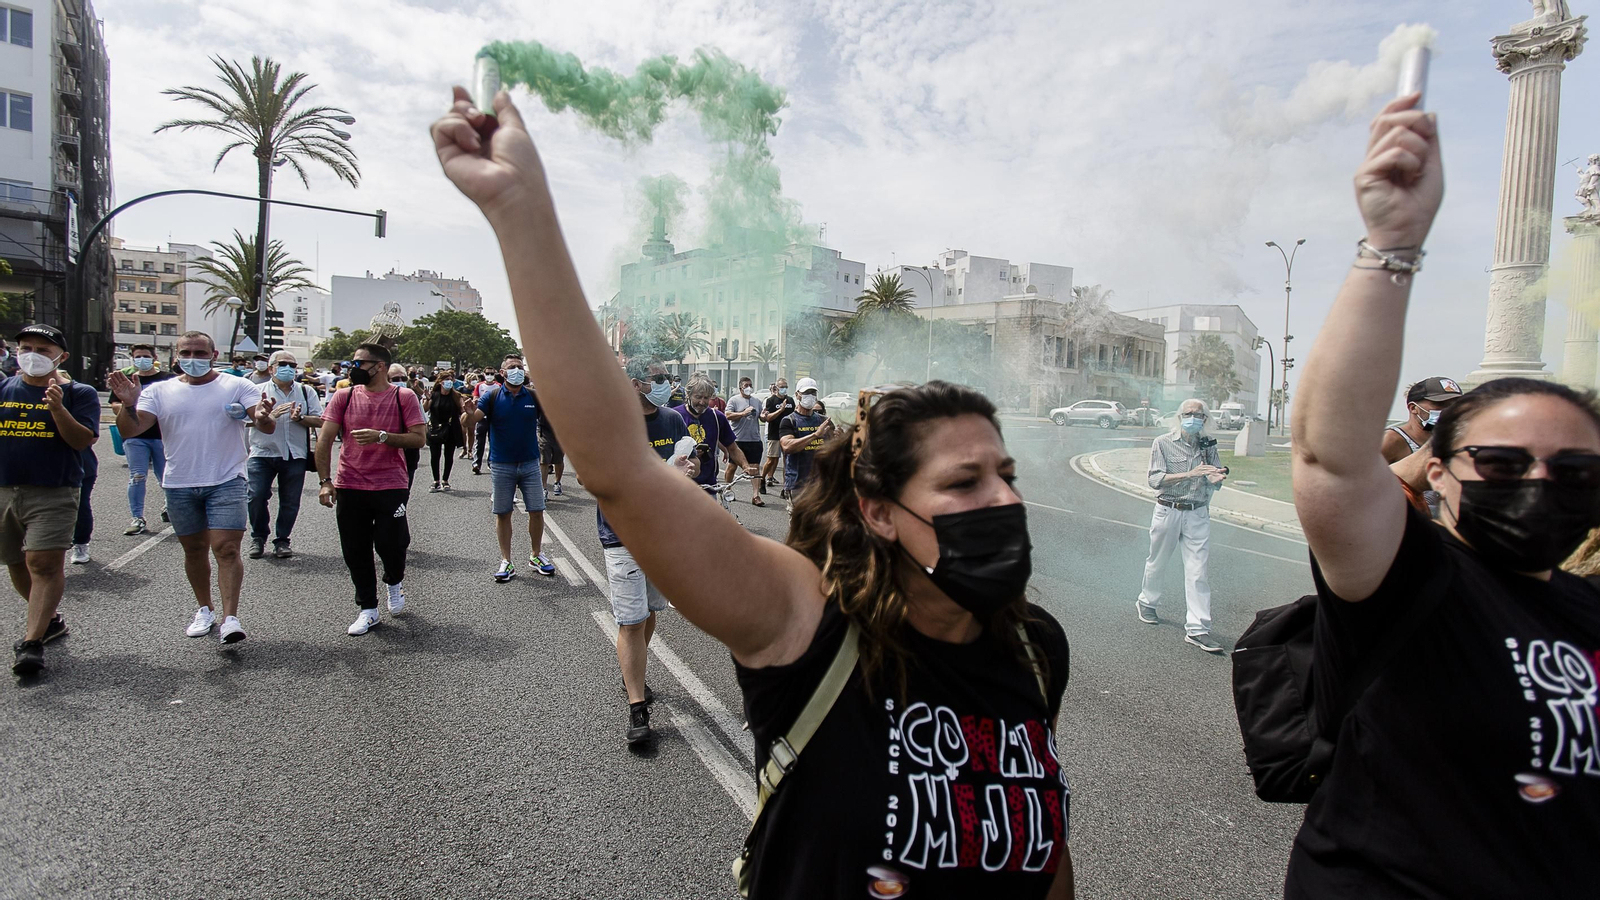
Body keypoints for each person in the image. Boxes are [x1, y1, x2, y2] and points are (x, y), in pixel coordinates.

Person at [433, 88, 1075, 896]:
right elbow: (620, 470)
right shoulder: (806, 622)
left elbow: (1044, 847)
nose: (1002, 501)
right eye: (964, 482)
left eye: (1006, 477)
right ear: (877, 510)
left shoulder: (1033, 649)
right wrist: (520, 211)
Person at [1288, 94, 1600, 896]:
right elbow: (1330, 455)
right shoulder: (1412, 585)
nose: (1538, 483)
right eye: (1500, 462)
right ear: (1439, 470)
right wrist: (1392, 245)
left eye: (1575, 471)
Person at [110, 331, 277, 645]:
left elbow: (264, 423)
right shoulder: (158, 391)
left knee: (226, 549)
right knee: (195, 550)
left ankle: (230, 618)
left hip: (226, 480)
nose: (193, 358)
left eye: (200, 353)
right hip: (179, 483)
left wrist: (266, 417)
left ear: (214, 356)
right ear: (176, 356)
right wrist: (127, 405)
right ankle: (205, 609)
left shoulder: (237, 385)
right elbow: (131, 429)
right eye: (186, 352)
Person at [600, 358, 692, 743]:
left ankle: (630, 669)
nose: (666, 383)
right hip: (622, 533)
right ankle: (638, 707)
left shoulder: (672, 419)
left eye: (667, 377)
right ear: (636, 383)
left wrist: (686, 466)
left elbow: (691, 460)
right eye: (658, 378)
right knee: (632, 620)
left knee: (651, 611)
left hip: (663, 532)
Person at [3, 324, 99, 675]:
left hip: (54, 490)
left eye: (42, 350)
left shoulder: (79, 393)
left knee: (42, 564)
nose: (32, 355)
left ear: (62, 357)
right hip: (4, 489)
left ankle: (31, 642)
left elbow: (81, 441)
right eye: (26, 347)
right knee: (14, 560)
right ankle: (50, 620)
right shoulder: (4, 389)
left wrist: (58, 409)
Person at [315, 343, 427, 636]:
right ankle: (368, 608)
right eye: (352, 362)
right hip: (350, 483)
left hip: (390, 484)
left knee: (392, 544)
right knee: (355, 549)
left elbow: (418, 439)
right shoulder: (344, 396)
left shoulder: (403, 396)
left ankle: (394, 582)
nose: (353, 368)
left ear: (379, 366)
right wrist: (325, 481)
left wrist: (382, 437)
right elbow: (325, 439)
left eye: (359, 363)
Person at [1134, 399, 1227, 653]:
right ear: (1179, 416)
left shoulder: (1208, 447)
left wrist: (1215, 478)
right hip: (1168, 510)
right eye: (1189, 413)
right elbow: (1155, 480)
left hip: (1197, 512)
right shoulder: (1163, 443)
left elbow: (1213, 477)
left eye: (1199, 415)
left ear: (1205, 419)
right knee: (1158, 560)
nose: (1194, 418)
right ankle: (1148, 601)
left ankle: (1198, 629)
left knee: (1198, 571)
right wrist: (1191, 474)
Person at [469, 353, 555, 581]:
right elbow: (475, 418)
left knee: (536, 510)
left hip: (530, 463)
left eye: (520, 366)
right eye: (512, 367)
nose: (517, 370)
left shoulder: (533, 396)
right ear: (502, 372)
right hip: (501, 465)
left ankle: (536, 555)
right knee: (503, 513)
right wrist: (467, 413)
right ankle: (506, 561)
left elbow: (554, 417)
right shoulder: (492, 396)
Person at [246, 350, 323, 559]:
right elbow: (243, 420)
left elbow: (320, 420)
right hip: (262, 452)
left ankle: (282, 540)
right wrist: (268, 416)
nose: (288, 368)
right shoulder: (256, 391)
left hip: (295, 454)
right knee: (256, 495)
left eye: (292, 365)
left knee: (290, 500)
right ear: (271, 368)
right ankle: (258, 536)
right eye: (282, 364)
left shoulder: (306, 392)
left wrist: (300, 418)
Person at [114, 344, 170, 535]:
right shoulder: (127, 380)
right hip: (135, 437)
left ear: (154, 357)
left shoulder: (167, 379)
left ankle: (169, 507)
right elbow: (115, 403)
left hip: (161, 436)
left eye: (146, 356)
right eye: (138, 356)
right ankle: (137, 518)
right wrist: (130, 408)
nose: (142, 359)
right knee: (137, 476)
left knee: (166, 476)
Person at [674, 374, 758, 500]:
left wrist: (745, 466)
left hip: (708, 487)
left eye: (706, 398)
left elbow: (733, 448)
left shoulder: (717, 417)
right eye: (698, 397)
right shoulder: (674, 416)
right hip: (678, 486)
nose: (702, 402)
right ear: (688, 395)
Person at [777, 377, 834, 508]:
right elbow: (787, 446)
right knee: (799, 526)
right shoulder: (789, 421)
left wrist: (839, 439)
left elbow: (833, 450)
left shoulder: (824, 420)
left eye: (813, 393)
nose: (810, 396)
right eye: (806, 393)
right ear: (797, 395)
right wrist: (815, 435)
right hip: (798, 485)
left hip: (821, 485)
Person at [1380, 376, 1463, 464]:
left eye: (1455, 405)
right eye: (1440, 404)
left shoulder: (1454, 441)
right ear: (1413, 408)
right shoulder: (1392, 440)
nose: (1449, 410)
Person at [724, 375, 765, 506]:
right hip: (738, 440)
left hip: (754, 439)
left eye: (750, 385)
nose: (749, 388)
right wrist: (742, 413)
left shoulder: (757, 401)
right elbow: (728, 415)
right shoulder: (734, 400)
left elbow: (762, 417)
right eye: (746, 385)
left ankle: (755, 495)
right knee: (732, 467)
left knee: (755, 468)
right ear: (740, 387)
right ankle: (728, 489)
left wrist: (765, 416)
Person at [425, 374, 465, 492]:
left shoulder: (456, 395)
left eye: (451, 380)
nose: (449, 382)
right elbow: (426, 409)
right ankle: (436, 481)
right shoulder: (434, 395)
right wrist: (427, 399)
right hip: (436, 428)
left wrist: (466, 408)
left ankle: (445, 480)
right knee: (435, 455)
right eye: (446, 380)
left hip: (451, 428)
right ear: (441, 382)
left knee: (449, 455)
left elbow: (462, 411)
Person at [390, 363, 422, 490]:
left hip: (409, 453)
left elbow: (421, 432)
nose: (400, 382)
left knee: (403, 493)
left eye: (403, 379)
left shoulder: (411, 397)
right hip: (386, 455)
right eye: (395, 379)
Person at [761, 377, 795, 495]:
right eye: (782, 387)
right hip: (774, 434)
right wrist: (781, 410)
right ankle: (762, 479)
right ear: (776, 387)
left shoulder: (790, 400)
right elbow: (768, 418)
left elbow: (794, 416)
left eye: (786, 386)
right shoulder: (771, 400)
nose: (784, 389)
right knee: (771, 460)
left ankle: (786, 488)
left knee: (787, 461)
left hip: (788, 435)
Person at [470, 369, 499, 473]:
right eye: (487, 374)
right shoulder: (479, 385)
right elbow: (475, 397)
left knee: (493, 441)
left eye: (492, 374)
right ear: (484, 374)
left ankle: (491, 462)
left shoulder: (498, 386)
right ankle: (476, 463)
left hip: (494, 417)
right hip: (482, 416)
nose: (489, 375)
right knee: (479, 441)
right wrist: (476, 401)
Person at [540, 406, 565, 498]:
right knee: (544, 460)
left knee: (559, 459)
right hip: (544, 430)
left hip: (560, 430)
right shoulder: (540, 394)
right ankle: (543, 488)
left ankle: (557, 483)